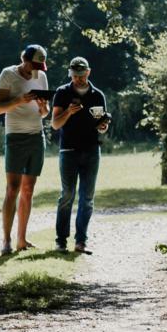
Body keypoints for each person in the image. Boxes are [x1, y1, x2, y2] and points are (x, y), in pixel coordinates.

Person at [0, 42, 51, 255]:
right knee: (13, 189)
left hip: (36, 136)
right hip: (15, 137)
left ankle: (21, 240)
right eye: (33, 66)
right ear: (24, 60)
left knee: (28, 189)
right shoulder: (8, 75)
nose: (35, 71)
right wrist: (20, 100)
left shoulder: (41, 77)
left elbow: (45, 113)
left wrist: (43, 108)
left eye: (39, 67)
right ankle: (6, 240)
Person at [50, 55, 107, 253]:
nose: (79, 79)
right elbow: (55, 124)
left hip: (92, 150)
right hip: (68, 150)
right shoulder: (62, 93)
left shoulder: (98, 95)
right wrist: (68, 112)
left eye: (82, 75)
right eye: (75, 76)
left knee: (87, 198)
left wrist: (103, 127)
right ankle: (61, 241)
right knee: (67, 195)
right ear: (70, 74)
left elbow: (101, 125)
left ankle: (81, 240)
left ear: (88, 72)